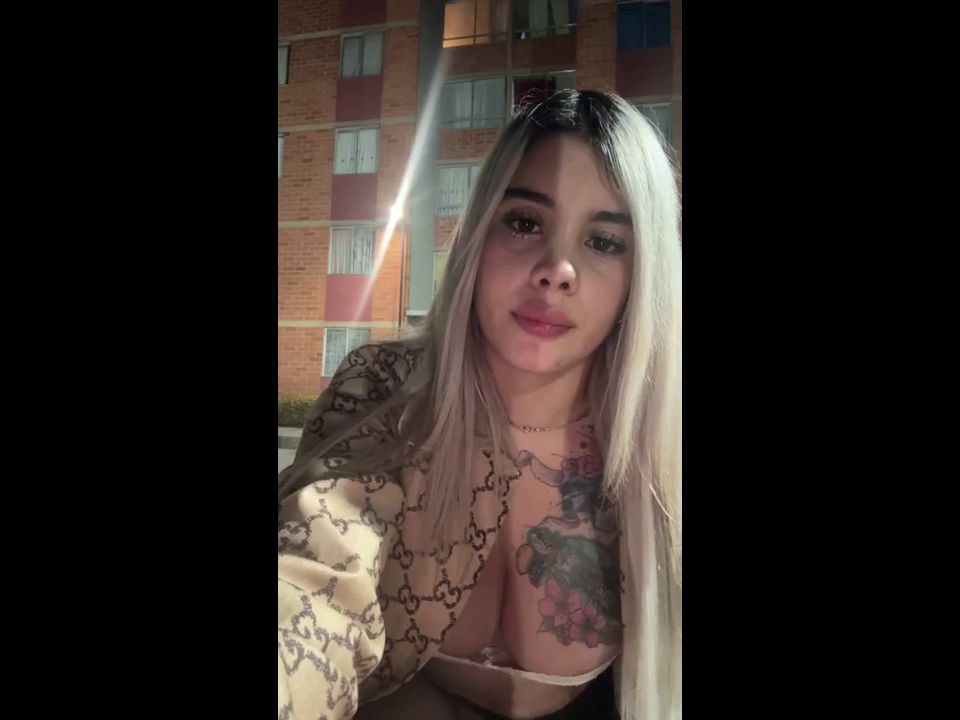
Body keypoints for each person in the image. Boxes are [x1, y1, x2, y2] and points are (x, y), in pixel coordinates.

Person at [278, 89, 681, 720]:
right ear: (478, 235)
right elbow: (312, 566)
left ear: (643, 274)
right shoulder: (385, 386)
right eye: (524, 222)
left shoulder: (665, 438)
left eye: (605, 241)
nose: (558, 269)